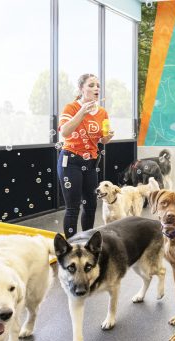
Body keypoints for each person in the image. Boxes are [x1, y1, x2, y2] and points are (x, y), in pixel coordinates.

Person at [57, 73, 114, 238]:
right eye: (91, 85)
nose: (96, 88)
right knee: (73, 208)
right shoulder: (71, 108)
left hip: (90, 163)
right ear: (81, 89)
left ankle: (87, 242)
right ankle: (70, 246)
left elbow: (103, 138)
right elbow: (65, 132)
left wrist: (107, 138)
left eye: (97, 85)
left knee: (90, 206)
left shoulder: (102, 112)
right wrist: (82, 111)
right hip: (71, 161)